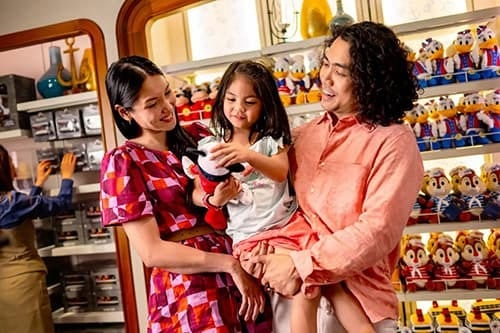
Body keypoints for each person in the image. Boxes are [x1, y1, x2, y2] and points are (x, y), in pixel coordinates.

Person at [245, 21, 425, 332]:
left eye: (340, 72)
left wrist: (301, 264)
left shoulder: (394, 142)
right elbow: (268, 201)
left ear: (370, 81)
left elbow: (377, 230)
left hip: (359, 303)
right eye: (325, 63)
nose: (324, 77)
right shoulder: (301, 136)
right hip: (289, 297)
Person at [99, 55, 270, 333]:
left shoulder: (198, 135)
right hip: (189, 288)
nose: (168, 107)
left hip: (243, 265)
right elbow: (152, 252)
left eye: (168, 93)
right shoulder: (122, 161)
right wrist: (229, 265)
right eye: (152, 104)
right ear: (125, 112)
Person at [201, 60, 374, 333]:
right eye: (231, 99)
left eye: (249, 102)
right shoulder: (213, 146)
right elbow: (202, 192)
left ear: (264, 105)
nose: (238, 109)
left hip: (290, 228)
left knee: (331, 283)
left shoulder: (271, 141)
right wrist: (215, 199)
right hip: (253, 238)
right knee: (306, 286)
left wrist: (249, 155)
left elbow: (280, 172)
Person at [0, 145, 76, 333]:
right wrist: (66, 177)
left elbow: (18, 214)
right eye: (10, 163)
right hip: (22, 287)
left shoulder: (12, 204)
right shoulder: (13, 202)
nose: (14, 167)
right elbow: (61, 204)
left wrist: (38, 184)